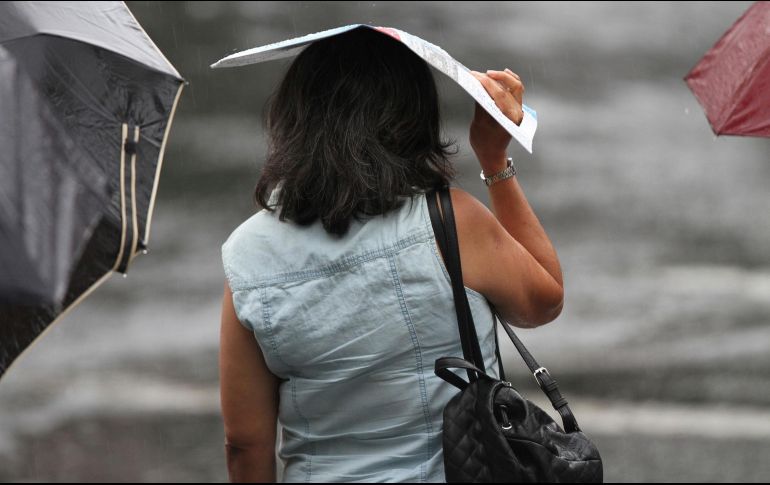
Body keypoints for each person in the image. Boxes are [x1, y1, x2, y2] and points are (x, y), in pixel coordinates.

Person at [218, 28, 563, 483]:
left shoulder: (247, 257)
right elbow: (543, 301)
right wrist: (494, 160)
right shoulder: (451, 222)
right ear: (413, 117)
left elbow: (246, 444)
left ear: (294, 118)